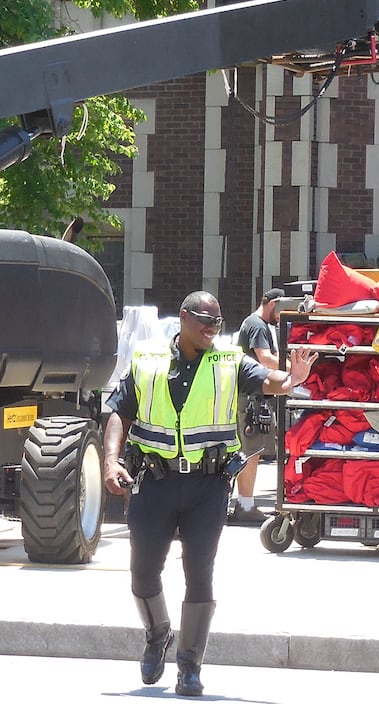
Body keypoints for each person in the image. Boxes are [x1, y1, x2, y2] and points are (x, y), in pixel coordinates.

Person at [103, 290, 317, 697]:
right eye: (205, 321)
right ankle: (157, 634)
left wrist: (292, 379)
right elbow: (120, 413)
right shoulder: (148, 361)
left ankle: (189, 666)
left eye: (218, 323)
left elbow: (269, 381)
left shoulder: (228, 362)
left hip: (208, 487)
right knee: (143, 573)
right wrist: (111, 461)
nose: (212, 329)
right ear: (183, 317)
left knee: (199, 574)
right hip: (155, 483)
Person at [229, 287, 283, 525]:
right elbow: (266, 359)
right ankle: (246, 506)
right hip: (251, 397)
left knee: (252, 450)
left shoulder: (255, 324)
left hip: (248, 395)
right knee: (252, 451)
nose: (281, 317)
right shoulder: (257, 325)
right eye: (281, 311)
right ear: (272, 304)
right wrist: (296, 368)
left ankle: (243, 503)